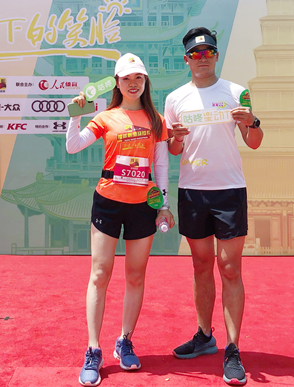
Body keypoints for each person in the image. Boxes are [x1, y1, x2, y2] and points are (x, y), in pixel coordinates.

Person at [67, 53, 175, 386]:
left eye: (138, 77)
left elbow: (162, 166)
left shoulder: (157, 120)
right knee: (100, 274)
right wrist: (75, 116)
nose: (132, 83)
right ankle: (93, 349)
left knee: (135, 275)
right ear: (116, 82)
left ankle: (125, 340)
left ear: (145, 82)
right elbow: (73, 146)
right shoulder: (105, 117)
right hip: (108, 202)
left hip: (143, 204)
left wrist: (164, 205)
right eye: (126, 78)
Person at [164, 27, 263, 386]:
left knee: (230, 268)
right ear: (186, 59)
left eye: (208, 52)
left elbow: (254, 141)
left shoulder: (236, 92)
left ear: (216, 56)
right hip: (193, 191)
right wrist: (175, 139)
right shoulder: (175, 98)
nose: (202, 58)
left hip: (229, 191)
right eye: (195, 53)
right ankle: (205, 335)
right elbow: (174, 150)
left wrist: (252, 122)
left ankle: (233, 349)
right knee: (201, 264)